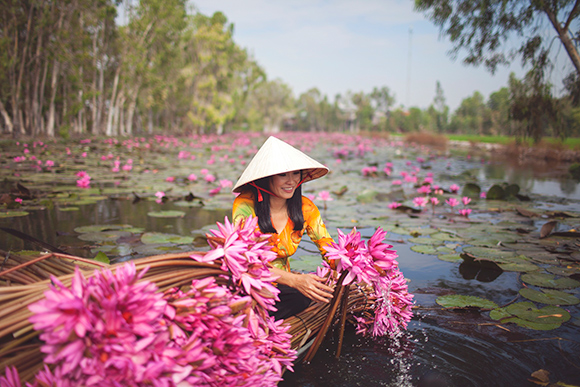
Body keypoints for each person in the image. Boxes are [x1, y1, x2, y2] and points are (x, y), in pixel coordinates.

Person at [232, 136, 335, 320]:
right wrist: (295, 280)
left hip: (286, 291)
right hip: (250, 284)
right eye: (283, 175)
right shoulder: (245, 205)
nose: (291, 181)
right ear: (266, 177)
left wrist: (353, 265)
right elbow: (244, 260)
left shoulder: (306, 208)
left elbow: (327, 246)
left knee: (307, 296)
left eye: (296, 174)